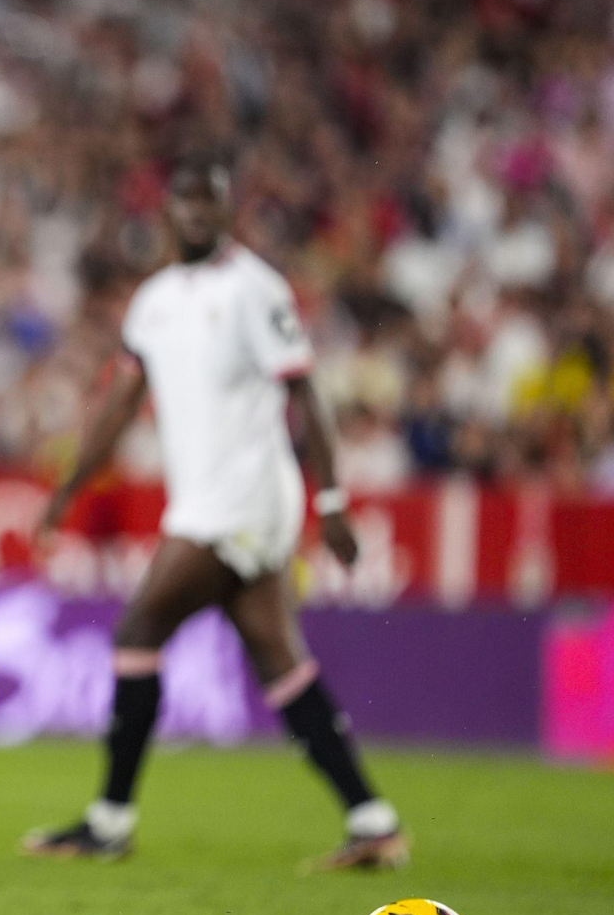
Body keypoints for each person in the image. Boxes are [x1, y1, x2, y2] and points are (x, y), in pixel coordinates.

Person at [23, 154, 408, 871]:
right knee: (278, 658)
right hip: (205, 498)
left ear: (229, 211)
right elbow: (120, 402)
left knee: (140, 628)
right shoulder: (156, 298)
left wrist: (331, 501)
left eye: (211, 202)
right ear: (169, 211)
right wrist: (70, 487)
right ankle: (373, 819)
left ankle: (110, 820)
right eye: (186, 201)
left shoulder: (256, 290)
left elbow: (306, 394)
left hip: (247, 497)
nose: (197, 214)